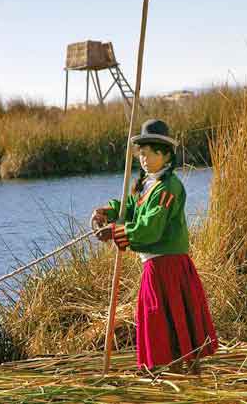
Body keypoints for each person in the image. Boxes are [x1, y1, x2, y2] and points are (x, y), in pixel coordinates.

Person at [90, 119, 218, 374]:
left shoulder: (169, 187)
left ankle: (188, 374)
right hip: (155, 265)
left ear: (166, 155)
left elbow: (150, 229)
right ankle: (174, 373)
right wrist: (109, 211)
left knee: (172, 319)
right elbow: (132, 208)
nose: (144, 159)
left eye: (149, 154)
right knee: (158, 319)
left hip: (168, 266)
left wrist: (115, 232)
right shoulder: (146, 184)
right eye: (141, 154)